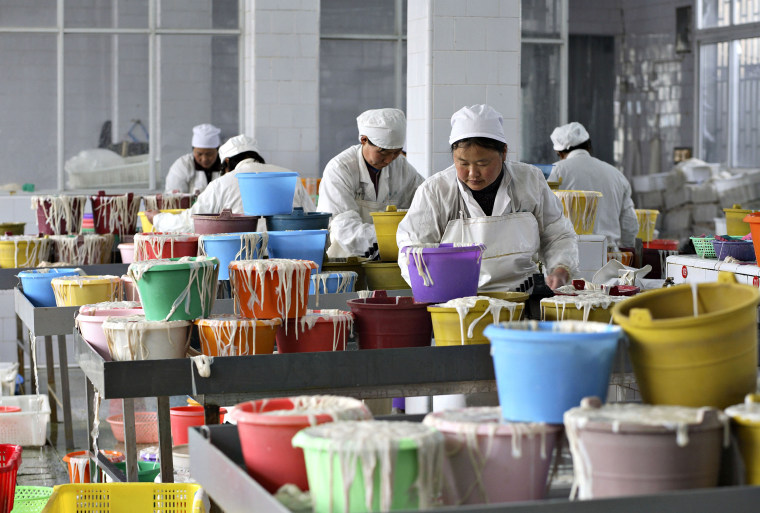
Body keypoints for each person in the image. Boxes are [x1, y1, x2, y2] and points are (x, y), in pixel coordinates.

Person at [396, 104, 578, 291]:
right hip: (458, 300)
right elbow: (412, 250)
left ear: (504, 153)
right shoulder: (435, 192)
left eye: (483, 163)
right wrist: (439, 289)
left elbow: (557, 234)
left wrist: (560, 268)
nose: (473, 173)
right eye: (463, 163)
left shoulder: (530, 180)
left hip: (524, 295)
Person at [151, 135, 315, 233]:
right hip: (288, 260)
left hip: (240, 260)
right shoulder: (289, 176)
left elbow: (190, 223)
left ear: (227, 162)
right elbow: (312, 218)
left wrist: (158, 219)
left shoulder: (221, 184)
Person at [318, 108, 423, 258]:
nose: (389, 160)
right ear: (364, 140)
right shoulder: (340, 169)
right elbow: (343, 227)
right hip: (347, 260)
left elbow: (424, 205)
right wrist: (390, 240)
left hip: (391, 257)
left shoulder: (401, 167)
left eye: (396, 152)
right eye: (383, 152)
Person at [548, 122, 638, 249]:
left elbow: (544, 216)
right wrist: (627, 250)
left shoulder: (554, 171)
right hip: (609, 256)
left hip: (567, 255)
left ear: (559, 152)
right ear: (589, 146)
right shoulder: (616, 175)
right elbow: (629, 223)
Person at [164, 123, 223, 193]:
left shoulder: (227, 165)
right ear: (193, 150)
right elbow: (174, 197)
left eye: (209, 154)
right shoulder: (182, 165)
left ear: (218, 149)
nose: (204, 159)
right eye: (199, 154)